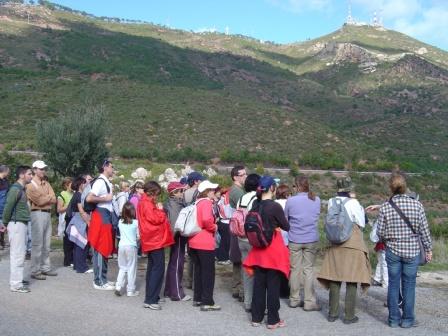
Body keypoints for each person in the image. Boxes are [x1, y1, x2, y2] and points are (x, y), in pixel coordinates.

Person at [376, 173, 432, 328]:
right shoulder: (417, 205)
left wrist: (389, 239)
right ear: (405, 187)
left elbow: (379, 232)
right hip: (412, 251)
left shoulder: (386, 206)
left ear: (391, 188)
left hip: (392, 251)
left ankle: (393, 319)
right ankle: (407, 320)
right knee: (409, 285)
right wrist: (428, 249)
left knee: (393, 284)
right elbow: (424, 231)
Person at [317, 176, 371, 324]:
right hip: (352, 242)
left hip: (335, 243)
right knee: (352, 279)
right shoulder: (353, 202)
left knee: (335, 277)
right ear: (350, 189)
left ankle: (332, 313)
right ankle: (349, 316)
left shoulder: (332, 201)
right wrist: (357, 204)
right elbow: (361, 223)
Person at [243, 176, 290, 329]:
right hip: (273, 250)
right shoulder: (275, 206)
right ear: (271, 188)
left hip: (258, 250)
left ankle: (256, 318)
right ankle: (272, 320)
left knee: (259, 285)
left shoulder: (255, 204)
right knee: (273, 286)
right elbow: (286, 226)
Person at [285, 175, 321, 311]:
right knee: (309, 269)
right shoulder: (316, 200)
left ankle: (294, 299)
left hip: (295, 238)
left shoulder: (291, 201)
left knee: (295, 269)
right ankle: (309, 301)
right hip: (311, 238)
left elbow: (285, 219)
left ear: (296, 186)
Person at [138, 181, 174, 310]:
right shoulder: (147, 203)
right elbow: (155, 219)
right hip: (154, 239)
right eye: (156, 194)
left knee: (153, 267)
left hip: (152, 239)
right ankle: (151, 299)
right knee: (157, 269)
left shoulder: (145, 202)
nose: (157, 197)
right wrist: (160, 210)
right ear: (151, 192)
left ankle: (152, 296)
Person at [188, 180, 221, 311]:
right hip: (205, 242)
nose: (214, 192)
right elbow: (206, 220)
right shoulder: (207, 203)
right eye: (212, 190)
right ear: (207, 192)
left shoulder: (197, 202)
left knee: (199, 270)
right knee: (208, 272)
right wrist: (215, 227)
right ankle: (207, 301)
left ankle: (198, 297)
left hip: (194, 240)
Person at [1, 165, 33, 293]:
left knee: (20, 253)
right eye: (29, 174)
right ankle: (16, 284)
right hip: (16, 224)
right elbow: (8, 207)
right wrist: (4, 222)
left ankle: (17, 279)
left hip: (21, 223)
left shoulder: (21, 188)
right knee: (17, 254)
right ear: (21, 175)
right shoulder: (15, 189)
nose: (31, 176)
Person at [26, 160, 58, 280]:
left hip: (46, 213)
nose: (43, 171)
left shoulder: (46, 183)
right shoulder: (30, 185)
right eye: (41, 169)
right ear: (34, 170)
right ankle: (35, 270)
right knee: (37, 243)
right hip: (37, 214)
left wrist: (45, 198)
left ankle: (45, 267)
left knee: (46, 243)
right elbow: (39, 201)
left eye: (44, 169)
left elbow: (54, 199)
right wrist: (47, 198)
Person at [86, 160, 115, 290]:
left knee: (105, 247)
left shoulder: (105, 182)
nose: (113, 169)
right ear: (105, 167)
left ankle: (103, 278)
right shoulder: (99, 182)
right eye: (111, 167)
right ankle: (98, 281)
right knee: (100, 248)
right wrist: (106, 199)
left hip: (105, 216)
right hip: (101, 216)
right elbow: (89, 198)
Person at [236, 173, 260, 312]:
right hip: (252, 239)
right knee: (257, 270)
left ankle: (248, 301)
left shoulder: (241, 198)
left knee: (246, 270)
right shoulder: (256, 198)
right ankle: (257, 301)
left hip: (241, 237)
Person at [163, 181, 191, 301]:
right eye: (181, 191)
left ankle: (168, 290)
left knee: (173, 263)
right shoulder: (175, 205)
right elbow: (175, 225)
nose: (183, 192)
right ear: (174, 193)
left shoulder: (174, 203)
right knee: (177, 264)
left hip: (175, 238)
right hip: (178, 237)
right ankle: (176, 293)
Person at [183, 171, 205, 289]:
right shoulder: (199, 194)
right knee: (197, 256)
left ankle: (189, 281)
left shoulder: (184, 192)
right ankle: (197, 282)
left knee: (190, 254)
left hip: (186, 225)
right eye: (200, 180)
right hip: (196, 226)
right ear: (196, 181)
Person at [65, 176, 92, 274]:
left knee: (78, 244)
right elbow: (81, 211)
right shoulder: (79, 195)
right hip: (80, 221)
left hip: (76, 220)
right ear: (81, 184)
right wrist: (88, 222)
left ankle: (77, 265)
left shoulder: (76, 195)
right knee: (82, 244)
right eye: (85, 183)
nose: (86, 185)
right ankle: (82, 267)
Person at [229, 165, 247, 301]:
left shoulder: (237, 190)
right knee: (241, 260)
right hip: (239, 228)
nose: (245, 177)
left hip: (235, 227)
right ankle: (240, 289)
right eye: (242, 175)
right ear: (235, 177)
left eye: (246, 174)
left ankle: (237, 288)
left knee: (237, 260)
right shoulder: (238, 192)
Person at [115, 202, 140, 297]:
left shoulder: (120, 222)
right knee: (131, 268)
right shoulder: (136, 223)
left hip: (121, 246)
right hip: (131, 246)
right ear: (133, 212)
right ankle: (130, 290)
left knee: (122, 267)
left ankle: (118, 286)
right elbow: (138, 236)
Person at [57, 177, 74, 267]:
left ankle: (73, 259)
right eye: (71, 184)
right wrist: (69, 205)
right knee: (67, 240)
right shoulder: (62, 194)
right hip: (65, 219)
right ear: (66, 185)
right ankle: (67, 260)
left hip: (73, 218)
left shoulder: (74, 194)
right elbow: (59, 209)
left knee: (73, 240)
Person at [215, 187, 232, 265]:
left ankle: (222, 257)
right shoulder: (224, 201)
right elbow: (227, 214)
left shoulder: (220, 200)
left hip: (222, 222)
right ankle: (223, 258)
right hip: (225, 222)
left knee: (223, 241)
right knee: (225, 241)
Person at [0, 165, 10, 250]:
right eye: (8, 171)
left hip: (4, 206)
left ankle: (2, 242)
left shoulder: (6, 181)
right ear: (4, 171)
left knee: (2, 225)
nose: (9, 173)